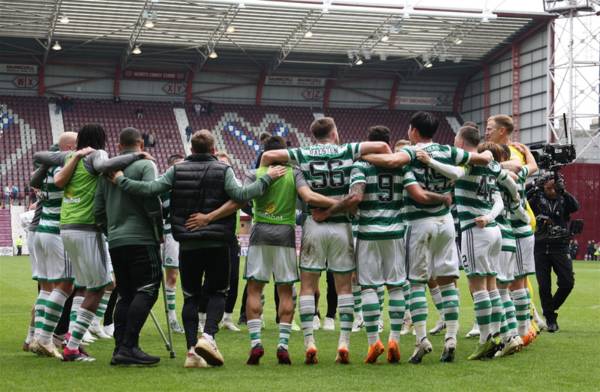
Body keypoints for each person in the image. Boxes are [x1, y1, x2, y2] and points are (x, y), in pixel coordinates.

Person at [111, 129, 286, 369]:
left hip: (188, 242)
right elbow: (242, 195)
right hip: (217, 242)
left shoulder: (177, 169)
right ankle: (209, 337)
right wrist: (268, 178)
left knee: (191, 296)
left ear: (191, 150)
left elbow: (150, 190)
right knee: (217, 293)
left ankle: (192, 350)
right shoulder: (223, 169)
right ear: (214, 150)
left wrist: (121, 180)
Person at [314, 125, 451, 364]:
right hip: (396, 233)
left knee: (368, 288)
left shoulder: (361, 165)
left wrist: (329, 212)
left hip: (368, 233)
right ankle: (395, 339)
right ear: (387, 143)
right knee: (396, 287)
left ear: (369, 142)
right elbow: (416, 193)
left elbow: (355, 197)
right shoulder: (402, 166)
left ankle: (373, 341)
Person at [362, 112, 493, 364]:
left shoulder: (411, 153)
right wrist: (487, 155)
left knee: (416, 283)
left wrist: (360, 154)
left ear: (412, 130)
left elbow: (390, 162)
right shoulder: (448, 151)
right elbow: (480, 158)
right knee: (447, 281)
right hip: (446, 223)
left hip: (418, 222)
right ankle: (451, 338)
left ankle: (421, 339)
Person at [260, 117, 391, 365]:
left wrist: (264, 174)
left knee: (309, 285)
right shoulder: (347, 149)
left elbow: (268, 157)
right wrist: (360, 165)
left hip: (313, 224)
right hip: (342, 225)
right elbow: (383, 148)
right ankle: (343, 343)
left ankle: (310, 342)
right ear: (334, 132)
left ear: (313, 135)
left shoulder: (303, 153)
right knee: (344, 287)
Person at [33, 123, 149, 362]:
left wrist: (72, 154)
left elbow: (39, 155)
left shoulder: (70, 156)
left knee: (84, 286)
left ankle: (66, 339)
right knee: (100, 286)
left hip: (66, 227)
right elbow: (104, 166)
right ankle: (72, 346)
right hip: (86, 227)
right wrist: (136, 155)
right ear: (102, 139)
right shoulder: (97, 154)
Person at [244, 136, 338, 365]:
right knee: (286, 290)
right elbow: (308, 198)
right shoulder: (294, 173)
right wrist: (338, 203)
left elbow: (244, 198)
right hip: (285, 233)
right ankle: (283, 345)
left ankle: (256, 343)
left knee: (255, 289)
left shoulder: (255, 173)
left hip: (260, 232)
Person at [94, 127, 163, 366]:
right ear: (141, 144)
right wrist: (157, 226)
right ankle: (129, 346)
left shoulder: (106, 172)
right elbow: (151, 196)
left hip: (116, 239)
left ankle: (120, 349)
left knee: (125, 293)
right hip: (142, 238)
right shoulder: (146, 165)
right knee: (148, 288)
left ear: (119, 144)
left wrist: (111, 231)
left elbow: (98, 212)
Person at [27, 132, 79, 358]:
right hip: (57, 231)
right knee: (66, 285)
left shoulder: (46, 167)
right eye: (77, 145)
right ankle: (46, 339)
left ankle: (37, 337)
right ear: (68, 146)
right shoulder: (62, 167)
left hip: (42, 230)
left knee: (47, 287)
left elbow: (35, 179)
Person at [529, 174, 579, 333]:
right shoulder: (536, 199)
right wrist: (533, 189)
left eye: (554, 188)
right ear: (543, 187)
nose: (552, 191)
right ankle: (551, 320)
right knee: (544, 286)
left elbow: (576, 206)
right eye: (548, 188)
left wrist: (563, 191)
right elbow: (523, 204)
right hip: (540, 246)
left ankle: (549, 309)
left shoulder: (563, 198)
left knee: (567, 282)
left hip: (560, 246)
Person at [160, 154, 185, 334]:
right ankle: (172, 318)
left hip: (191, 233)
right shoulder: (163, 187)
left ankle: (196, 319)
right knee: (172, 276)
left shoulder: (191, 185)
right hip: (170, 235)